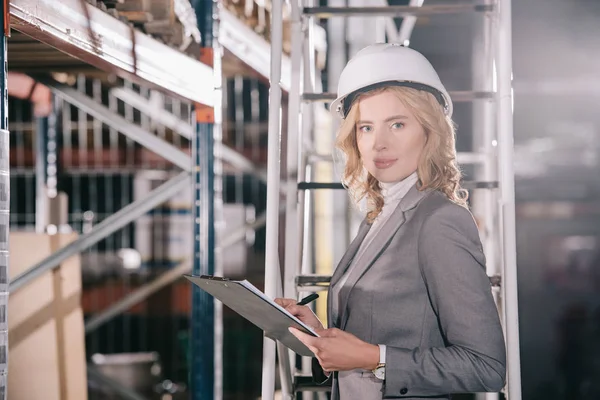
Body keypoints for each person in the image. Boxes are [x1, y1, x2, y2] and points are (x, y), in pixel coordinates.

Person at [275, 43, 506, 399]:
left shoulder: (440, 221)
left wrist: (371, 358)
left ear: (429, 131)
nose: (378, 143)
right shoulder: (380, 216)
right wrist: (322, 335)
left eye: (397, 124)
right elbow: (378, 333)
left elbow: (486, 367)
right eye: (366, 127)